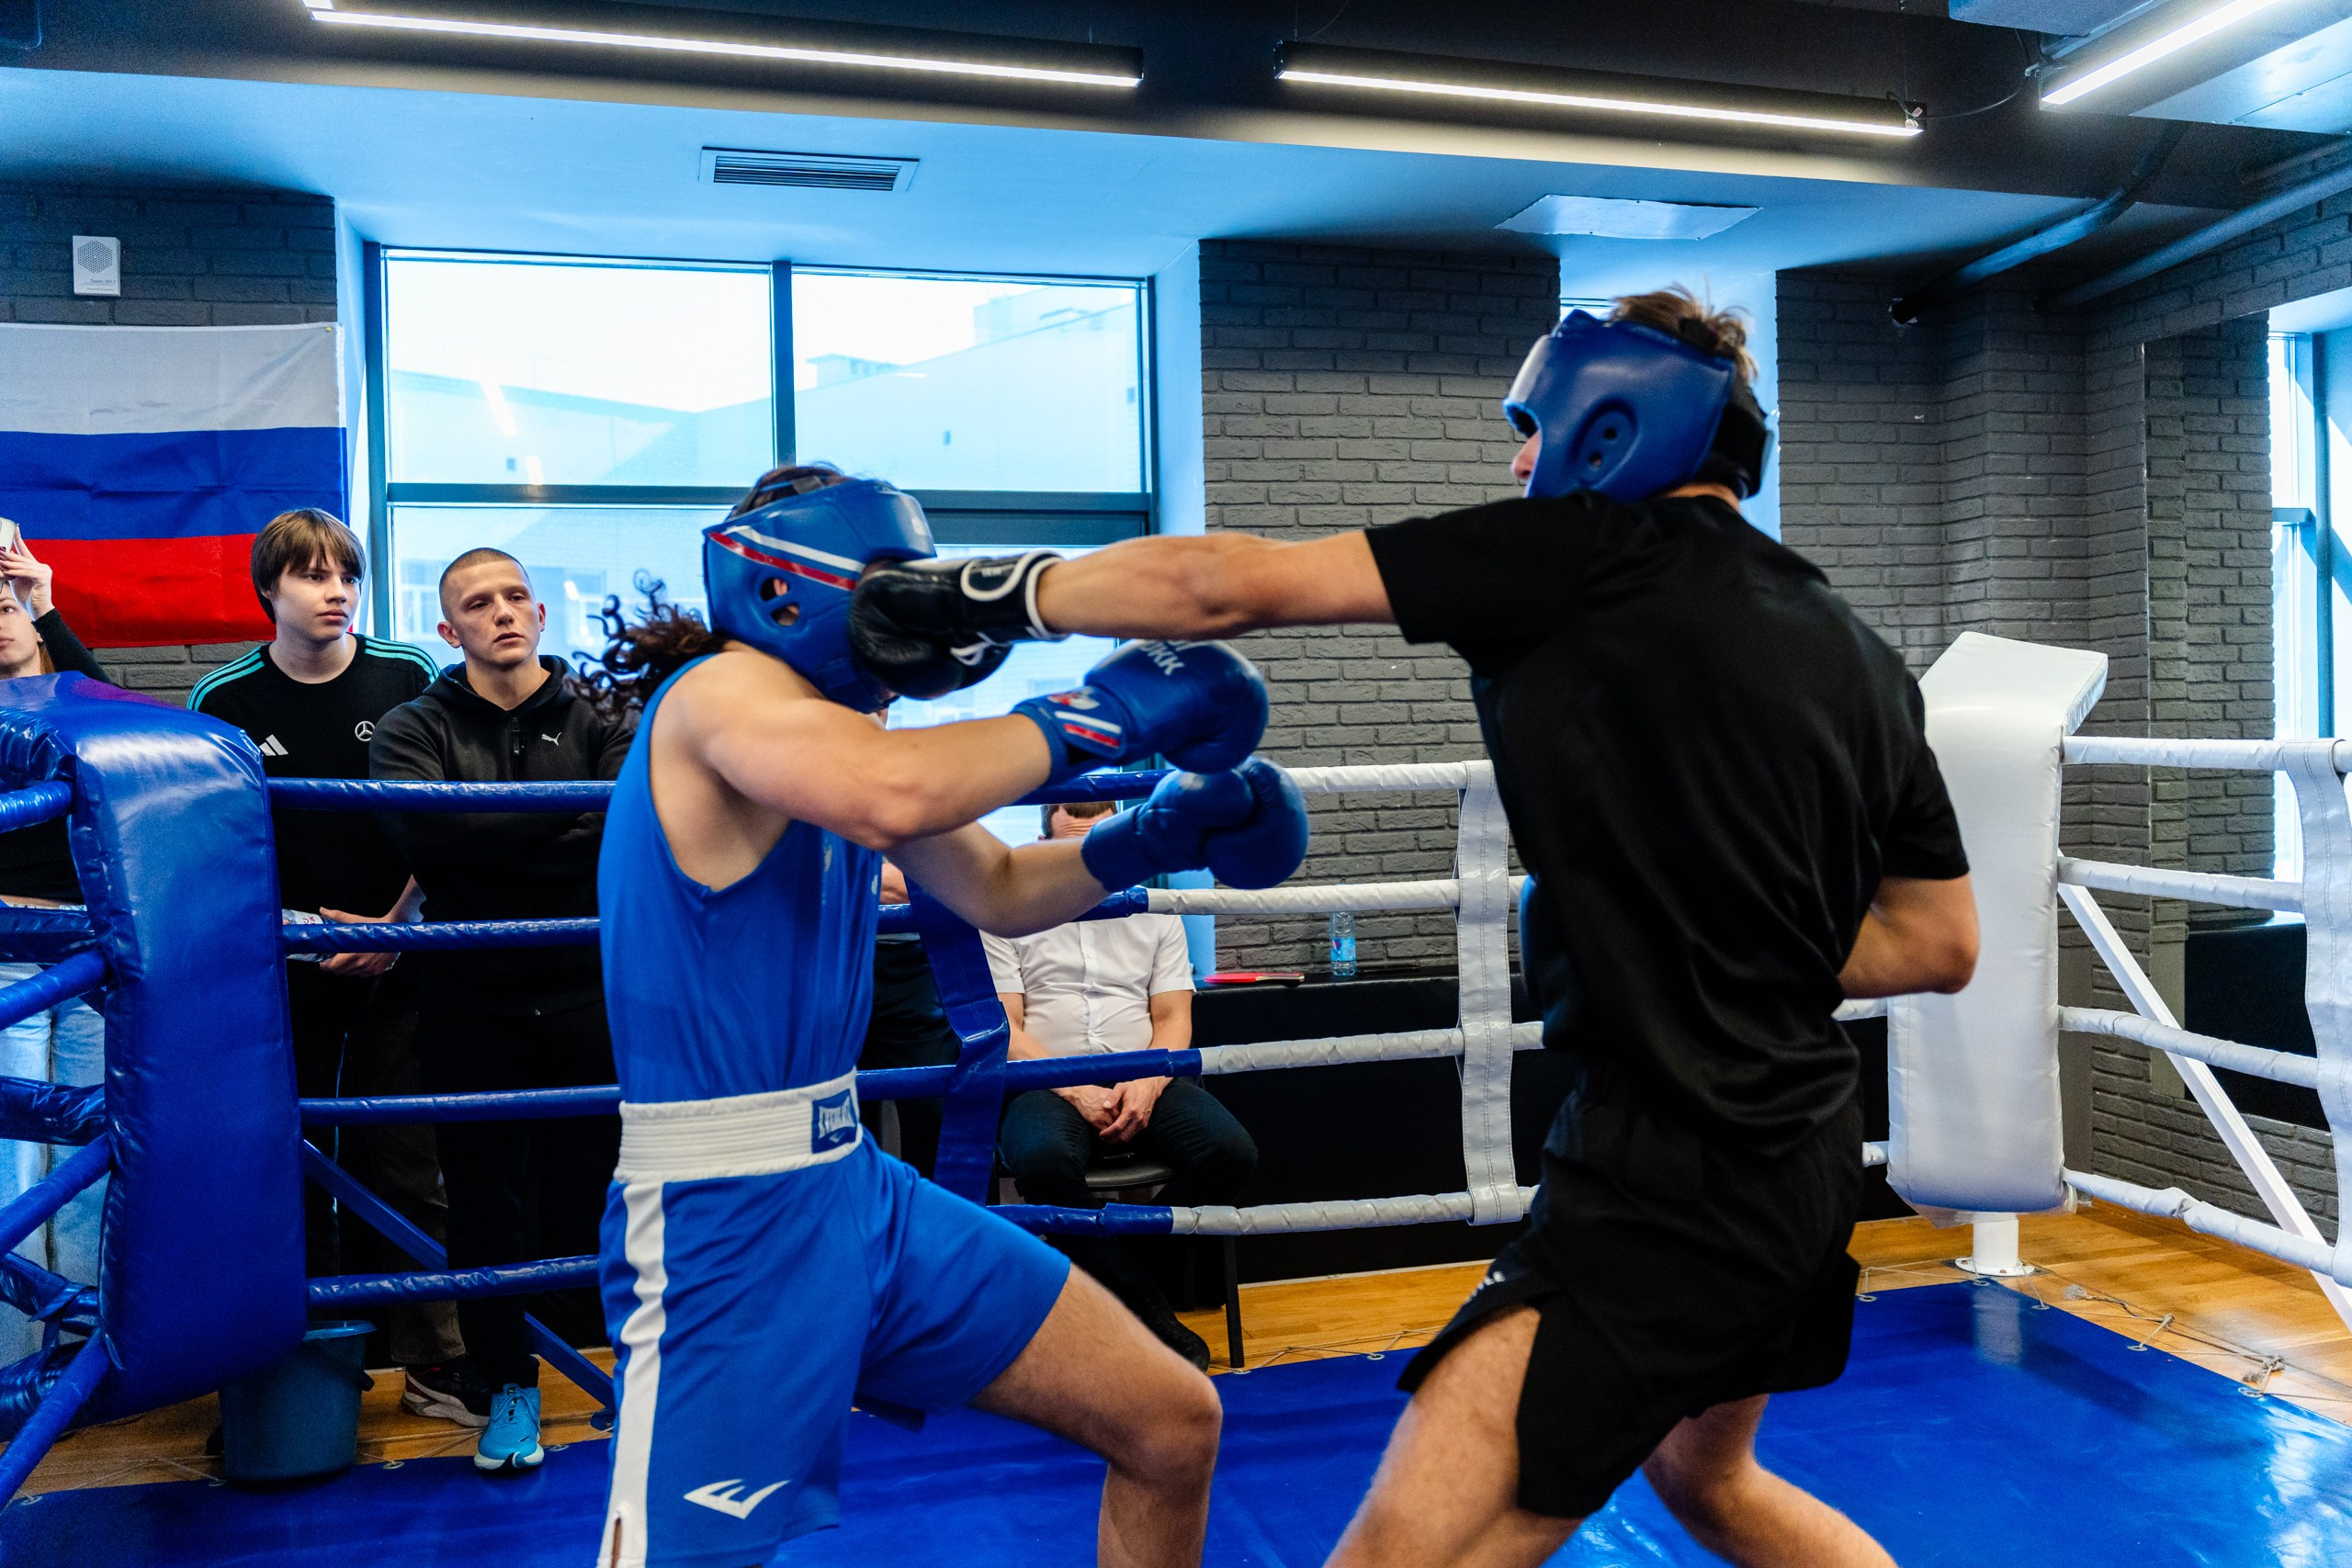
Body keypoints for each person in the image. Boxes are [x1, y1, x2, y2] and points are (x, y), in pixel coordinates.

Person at [850, 288, 1983, 1568]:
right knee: (1712, 1481)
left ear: (1607, 427)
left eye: (1529, 424)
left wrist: (974, 595)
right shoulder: (1860, 649)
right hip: (1804, 1148)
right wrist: (1722, 934)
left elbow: (1229, 584)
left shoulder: (1581, 553)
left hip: (1677, 1165)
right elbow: (1942, 940)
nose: (1517, 458)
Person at [581, 462, 1307, 1568]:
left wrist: (1150, 837)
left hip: (854, 1190)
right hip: (719, 1222)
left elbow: (1001, 890)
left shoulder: (838, 733)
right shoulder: (723, 698)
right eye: (892, 593)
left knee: (1170, 1422)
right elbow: (897, 793)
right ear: (788, 585)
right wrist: (1106, 711)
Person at [187, 508, 469, 1419]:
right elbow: (217, 849)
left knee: (406, 1161)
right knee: (288, 1163)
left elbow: (447, 821)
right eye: (313, 575)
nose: (336, 591)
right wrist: (304, 930)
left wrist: (394, 926)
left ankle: (432, 1363)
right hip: (282, 967)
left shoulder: (410, 675)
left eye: (346, 574)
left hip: (403, 954)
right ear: (270, 589)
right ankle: (294, 1362)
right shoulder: (225, 701)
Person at [368, 547, 634, 1472]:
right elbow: (427, 842)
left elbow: (624, 830)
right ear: (450, 631)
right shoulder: (411, 724)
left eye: (515, 595)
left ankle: (625, 1382)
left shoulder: (605, 714)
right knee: (483, 1209)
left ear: (540, 611)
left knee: (601, 1196)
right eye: (478, 604)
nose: (502, 612)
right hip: (468, 1001)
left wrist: (477, 833)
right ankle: (508, 1391)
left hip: (586, 993)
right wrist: (550, 822)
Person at [985, 798, 1256, 1371]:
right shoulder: (1007, 911)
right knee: (1042, 1160)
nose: (1084, 848)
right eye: (1071, 829)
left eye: (1096, 832)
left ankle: (1118, 1280)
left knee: (1231, 1153)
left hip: (1143, 1072)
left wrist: (1149, 1080)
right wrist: (1072, 1087)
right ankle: (1147, 1306)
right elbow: (1006, 1027)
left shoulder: (1153, 909)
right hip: (1046, 1079)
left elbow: (1174, 1018)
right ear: (1044, 834)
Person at [0, 536, 108, 1363]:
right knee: (10, 1153)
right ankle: (11, 1349)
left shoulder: (70, 693)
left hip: (87, 946)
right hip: (8, 952)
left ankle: (81, 1331)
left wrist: (42, 598)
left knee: (86, 1144)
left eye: (8, 607)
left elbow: (116, 717)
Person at [857, 860, 960, 1179]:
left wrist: (840, 880)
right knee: (834, 1117)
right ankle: (847, 1228)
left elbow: (954, 880)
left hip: (915, 962)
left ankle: (939, 1229)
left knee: (937, 1115)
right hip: (832, 958)